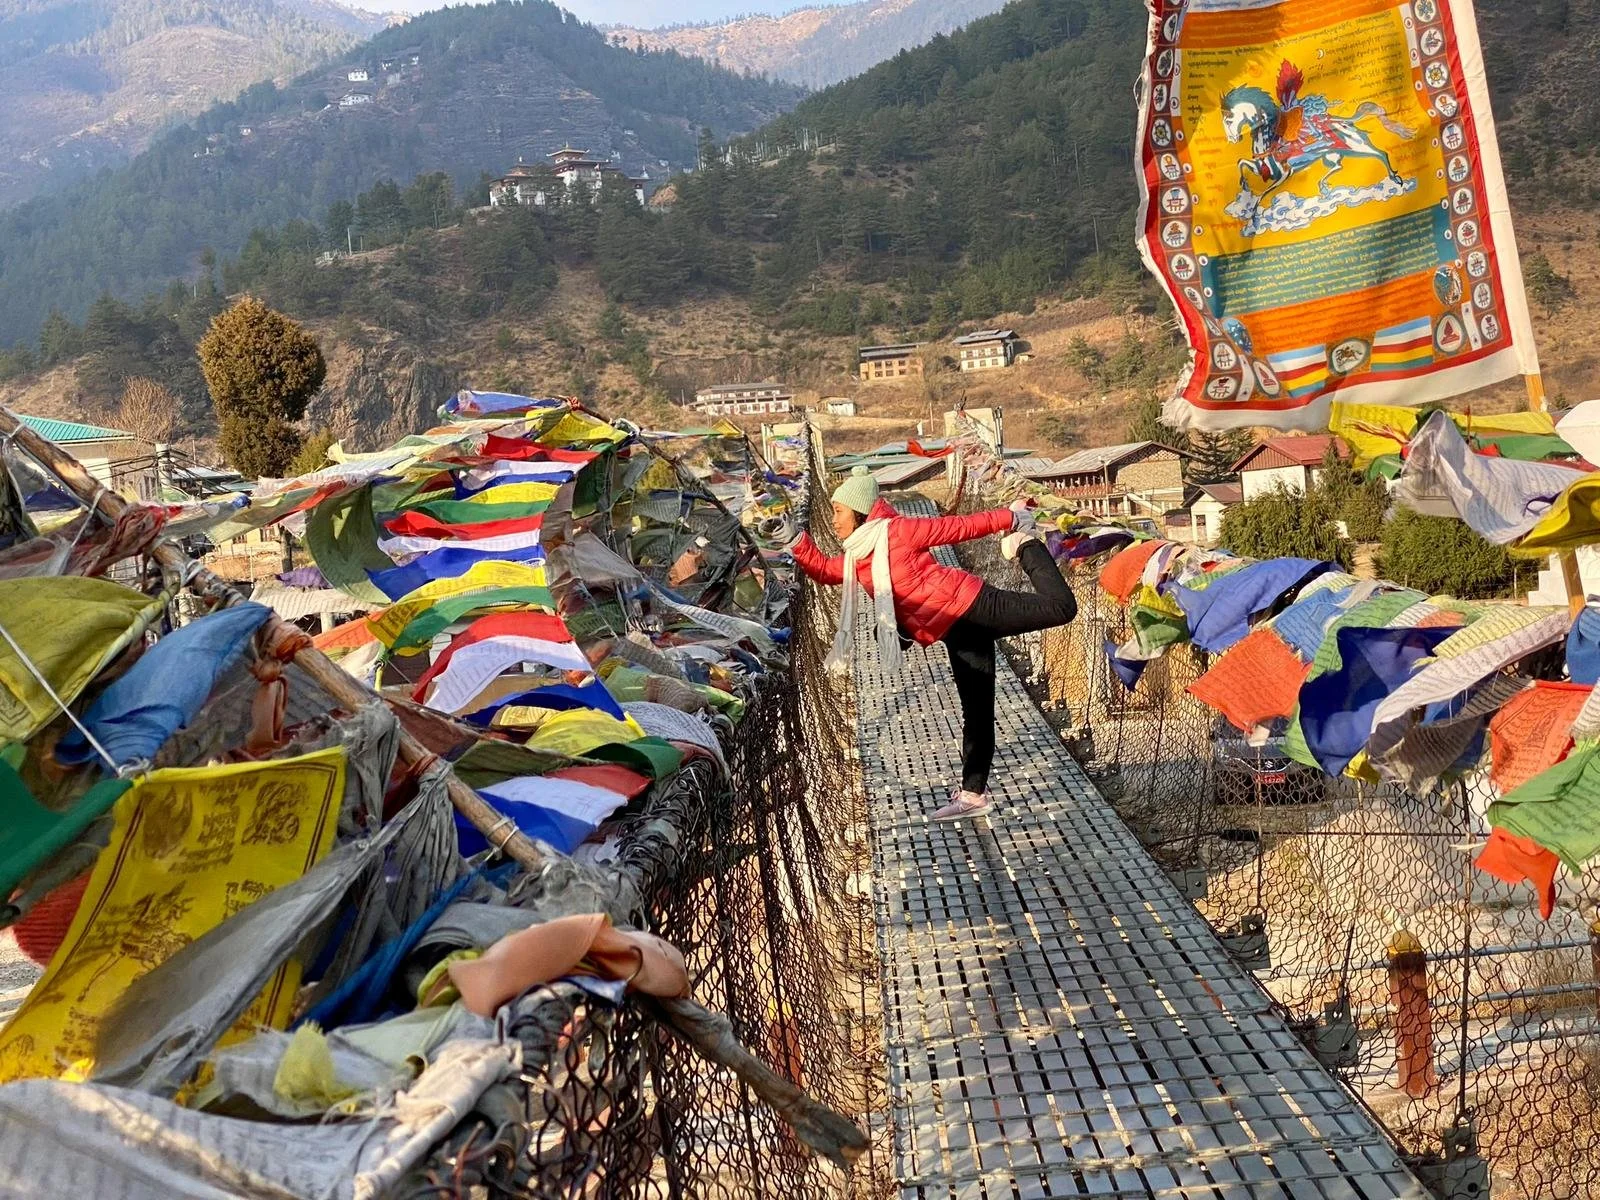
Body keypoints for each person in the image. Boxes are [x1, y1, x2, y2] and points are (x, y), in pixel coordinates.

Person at [792, 465, 1077, 821]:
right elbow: (823, 570)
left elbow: (957, 528)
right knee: (977, 711)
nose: (834, 521)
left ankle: (1025, 544)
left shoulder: (899, 531)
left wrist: (1011, 518)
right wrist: (794, 540)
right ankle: (973, 795)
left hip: (973, 605)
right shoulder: (856, 556)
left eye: (838, 511)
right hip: (956, 631)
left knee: (1061, 608)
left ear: (859, 511)